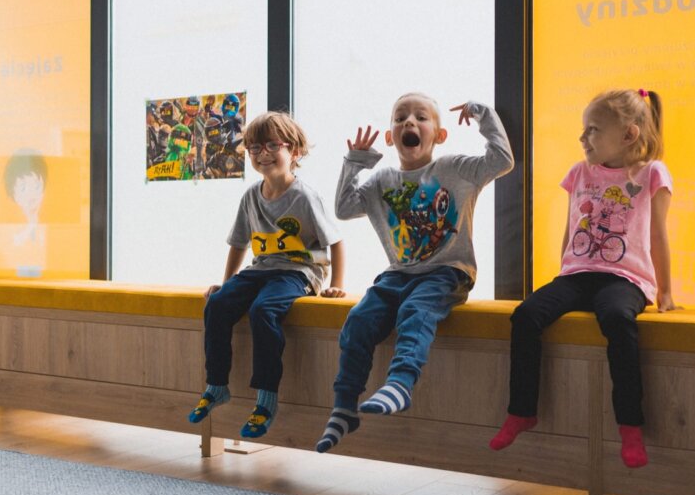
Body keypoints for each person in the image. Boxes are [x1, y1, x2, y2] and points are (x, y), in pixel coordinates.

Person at [316, 94, 513, 453]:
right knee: (359, 319)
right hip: (399, 273)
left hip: (447, 271)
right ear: (390, 137)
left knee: (416, 311)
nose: (409, 122)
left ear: (439, 135)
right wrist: (355, 162)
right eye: (400, 117)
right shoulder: (381, 182)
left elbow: (501, 160)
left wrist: (483, 115)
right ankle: (345, 405)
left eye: (421, 118)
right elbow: (344, 209)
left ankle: (401, 383)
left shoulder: (454, 169)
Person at [489, 89, 675, 469]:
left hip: (625, 278)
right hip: (576, 274)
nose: (582, 138)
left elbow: (658, 234)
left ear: (629, 135)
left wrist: (666, 292)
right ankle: (522, 410)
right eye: (583, 129)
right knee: (525, 315)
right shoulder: (580, 173)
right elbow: (571, 228)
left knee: (617, 319)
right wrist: (562, 275)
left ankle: (629, 424)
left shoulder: (652, 173)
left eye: (592, 130)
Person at [188, 111, 346, 439]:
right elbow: (238, 244)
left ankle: (266, 399)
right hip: (262, 269)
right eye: (254, 148)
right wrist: (228, 282)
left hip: (299, 271)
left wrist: (336, 285)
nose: (263, 154)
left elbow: (336, 242)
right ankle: (217, 385)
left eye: (273, 145)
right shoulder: (251, 196)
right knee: (216, 304)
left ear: (295, 152)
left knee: (264, 310)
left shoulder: (304, 195)